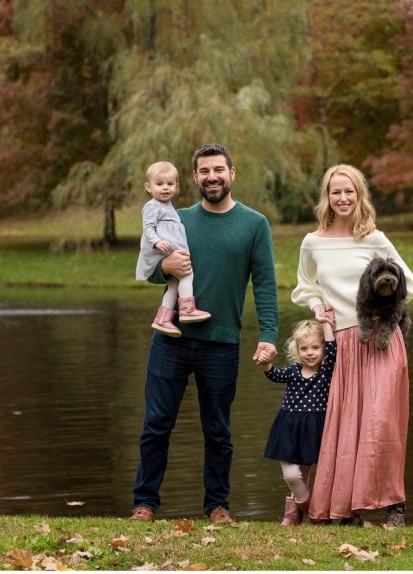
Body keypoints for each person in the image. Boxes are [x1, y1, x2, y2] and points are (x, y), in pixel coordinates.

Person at [131, 143, 279, 525]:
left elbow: (264, 284)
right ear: (193, 178)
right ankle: (145, 504)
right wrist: (166, 265)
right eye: (203, 172)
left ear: (232, 173)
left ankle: (217, 506)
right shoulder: (175, 218)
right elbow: (149, 271)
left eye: (218, 170)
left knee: (218, 430)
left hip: (222, 343)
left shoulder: (254, 224)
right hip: (171, 340)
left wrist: (269, 334)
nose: (211, 177)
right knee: (156, 425)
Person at [291, 163, 413, 528]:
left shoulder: (375, 239)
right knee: (346, 426)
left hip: (380, 339)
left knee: (382, 423)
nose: (343, 198)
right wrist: (318, 305)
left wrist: (380, 304)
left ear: (359, 195)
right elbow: (305, 286)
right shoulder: (312, 242)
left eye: (350, 191)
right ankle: (348, 510)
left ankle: (395, 505)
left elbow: (410, 284)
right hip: (343, 343)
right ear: (327, 197)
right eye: (336, 192)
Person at [256, 314, 337, 527]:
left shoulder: (326, 373)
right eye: (304, 349)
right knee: (291, 475)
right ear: (297, 350)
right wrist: (266, 365)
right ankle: (310, 508)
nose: (310, 353)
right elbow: (274, 374)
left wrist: (326, 323)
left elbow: (332, 348)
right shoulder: (293, 371)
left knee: (304, 475)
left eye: (315, 348)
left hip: (313, 429)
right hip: (288, 428)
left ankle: (292, 516)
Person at [136, 160, 211, 335]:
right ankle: (187, 309)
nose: (165, 188)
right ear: (148, 187)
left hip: (169, 243)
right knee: (186, 272)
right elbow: (148, 227)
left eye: (170, 184)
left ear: (177, 187)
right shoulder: (152, 206)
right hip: (165, 245)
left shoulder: (167, 206)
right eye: (159, 184)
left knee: (174, 283)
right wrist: (156, 242)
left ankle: (162, 318)